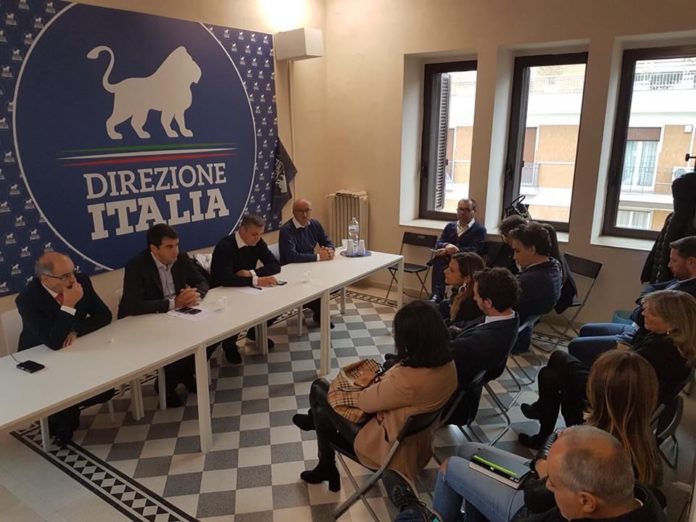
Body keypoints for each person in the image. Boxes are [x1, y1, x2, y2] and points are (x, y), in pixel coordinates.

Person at [427, 353, 664, 522]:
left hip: (533, 503)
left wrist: (544, 468)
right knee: (467, 450)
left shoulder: (601, 447)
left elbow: (537, 498)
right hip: (542, 485)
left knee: (451, 467)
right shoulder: (641, 444)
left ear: (600, 393)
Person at [292, 301, 457, 490]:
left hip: (384, 448)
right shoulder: (449, 366)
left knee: (319, 388)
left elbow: (365, 402)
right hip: (419, 444)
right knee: (323, 412)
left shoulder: (408, 379)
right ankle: (323, 456)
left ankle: (321, 448)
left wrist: (379, 395)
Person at [519, 289, 696, 448]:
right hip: (624, 391)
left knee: (558, 360)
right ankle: (554, 431)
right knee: (550, 375)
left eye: (651, 312)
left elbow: (619, 377)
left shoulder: (658, 351)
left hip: (617, 399)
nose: (643, 314)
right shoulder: (673, 342)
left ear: (670, 323)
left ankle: (552, 428)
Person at [15, 252, 114, 446]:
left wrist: (76, 330)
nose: (73, 280)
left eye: (73, 272)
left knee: (106, 390)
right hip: (41, 358)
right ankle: (61, 417)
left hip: (74, 353)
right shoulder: (27, 299)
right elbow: (53, 342)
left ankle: (68, 411)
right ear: (45, 279)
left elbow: (104, 315)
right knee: (63, 408)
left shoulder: (81, 282)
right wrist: (69, 304)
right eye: (65, 276)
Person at [118, 224, 210, 408]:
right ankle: (167, 385)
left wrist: (194, 294)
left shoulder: (181, 258)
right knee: (173, 341)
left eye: (177, 245)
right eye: (169, 246)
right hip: (147, 319)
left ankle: (183, 373)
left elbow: (201, 281)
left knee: (212, 336)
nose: (175, 251)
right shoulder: (136, 266)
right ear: (154, 248)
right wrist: (173, 303)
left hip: (178, 314)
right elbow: (133, 305)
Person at [569, 235, 696, 366]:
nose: (669, 265)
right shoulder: (681, 279)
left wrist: (643, 307)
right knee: (586, 329)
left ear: (691, 262)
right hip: (635, 330)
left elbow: (640, 317)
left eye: (674, 260)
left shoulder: (688, 295)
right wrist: (646, 302)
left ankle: (598, 374)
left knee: (576, 346)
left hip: (638, 340)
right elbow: (652, 287)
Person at [447, 267, 520, 424]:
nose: (474, 298)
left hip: (450, 397)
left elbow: (445, 353)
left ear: (488, 302)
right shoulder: (507, 319)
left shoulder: (483, 341)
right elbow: (465, 326)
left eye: (476, 295)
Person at [210, 214, 281, 364]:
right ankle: (229, 345)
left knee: (278, 302)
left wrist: (251, 273)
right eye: (254, 234)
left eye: (260, 234)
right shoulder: (225, 246)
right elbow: (225, 279)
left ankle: (255, 332)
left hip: (246, 288)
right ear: (242, 230)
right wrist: (255, 280)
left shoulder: (258, 242)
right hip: (222, 293)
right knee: (236, 311)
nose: (258, 238)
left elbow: (275, 265)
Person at [278, 198, 335, 325]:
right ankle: (318, 311)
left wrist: (330, 250)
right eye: (300, 211)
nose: (304, 214)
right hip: (292, 273)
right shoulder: (286, 230)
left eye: (307, 210)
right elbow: (292, 256)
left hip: (310, 268)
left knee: (333, 283)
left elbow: (327, 241)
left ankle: (318, 312)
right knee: (318, 288)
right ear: (293, 212)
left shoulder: (314, 224)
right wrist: (318, 257)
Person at [508, 222, 562, 353]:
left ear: (532, 249)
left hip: (510, 335)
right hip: (524, 326)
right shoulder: (553, 265)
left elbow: (496, 300)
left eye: (517, 251)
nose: (514, 256)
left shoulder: (531, 281)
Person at [429, 198, 486, 303]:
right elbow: (439, 243)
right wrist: (447, 246)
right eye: (460, 209)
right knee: (439, 261)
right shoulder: (450, 226)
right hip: (446, 260)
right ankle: (436, 295)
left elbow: (475, 249)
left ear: (474, 212)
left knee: (450, 265)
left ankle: (455, 297)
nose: (462, 212)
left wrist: (455, 250)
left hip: (465, 263)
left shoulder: (479, 229)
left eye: (467, 210)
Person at [438, 252, 485, 326]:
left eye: (451, 270)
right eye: (448, 267)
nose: (445, 271)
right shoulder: (460, 291)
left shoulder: (470, 305)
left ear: (467, 278)